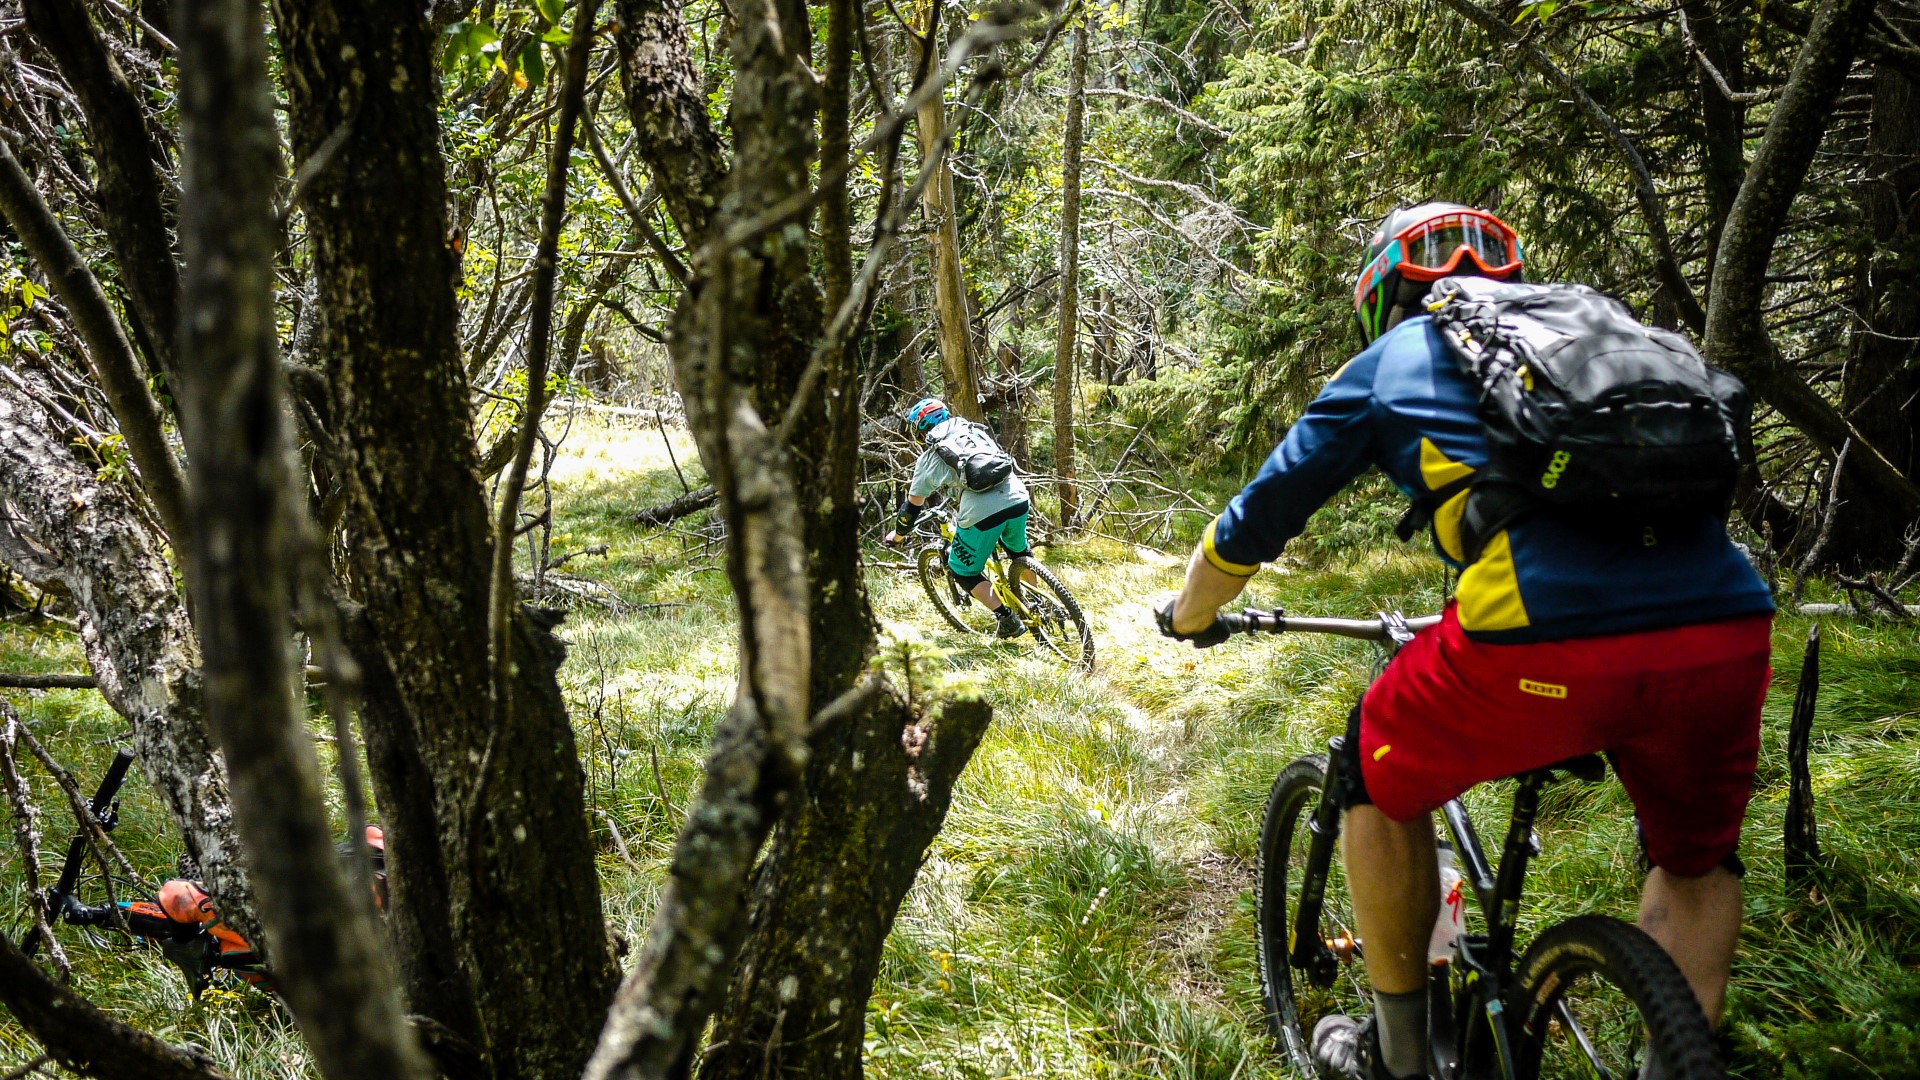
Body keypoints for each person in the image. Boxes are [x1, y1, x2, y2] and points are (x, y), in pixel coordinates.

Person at [1156, 203, 1775, 1080]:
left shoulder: (1394, 358)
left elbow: (1255, 520)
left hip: (1535, 643)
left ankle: (1399, 1060)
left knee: (1372, 775)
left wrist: (1190, 613)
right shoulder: (1601, 327)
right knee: (1697, 861)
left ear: (1381, 298)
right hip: (1728, 629)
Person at [883, 398, 1035, 638]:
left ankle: (1007, 620)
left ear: (920, 433)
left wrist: (898, 535)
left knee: (962, 570)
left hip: (982, 511)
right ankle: (1037, 602)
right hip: (1017, 495)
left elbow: (911, 509)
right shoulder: (974, 430)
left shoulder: (929, 458)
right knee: (1019, 551)